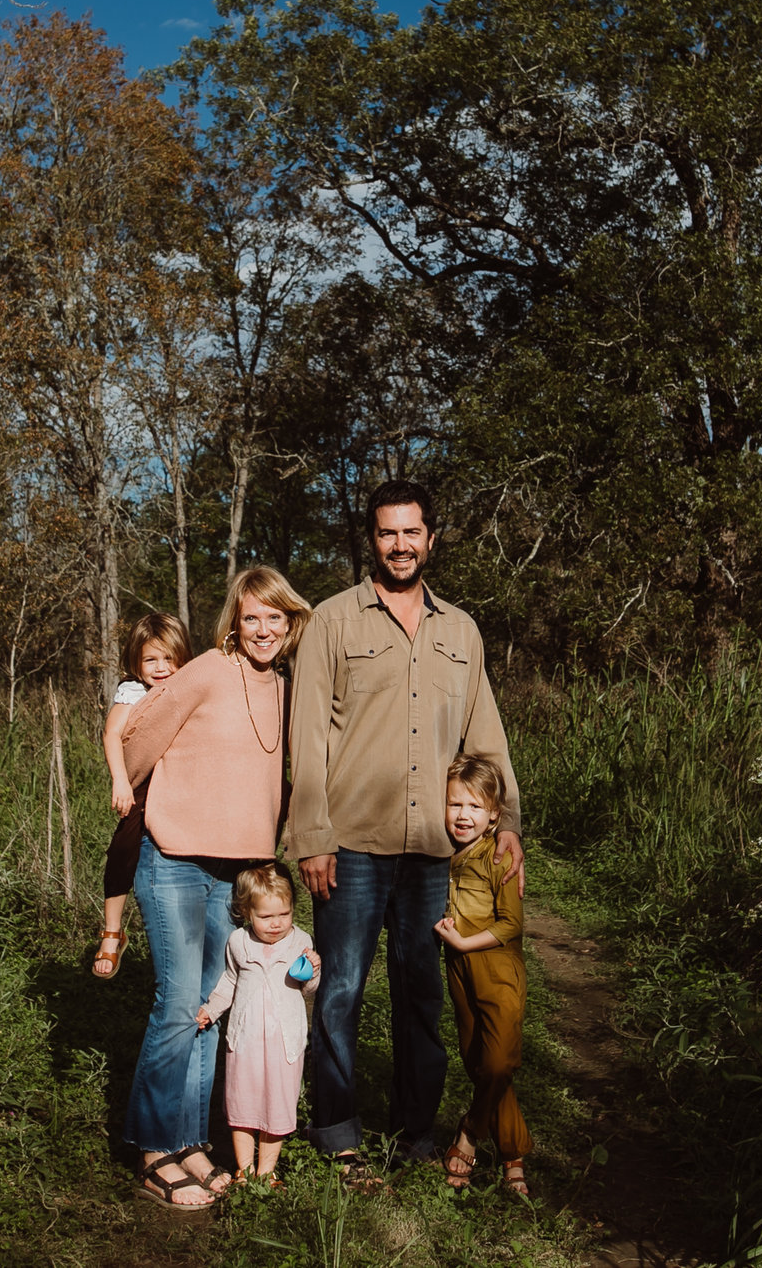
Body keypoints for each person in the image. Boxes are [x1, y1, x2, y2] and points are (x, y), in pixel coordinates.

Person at [287, 477, 523, 1176]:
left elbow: (485, 734)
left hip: (436, 851)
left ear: (431, 537)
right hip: (351, 843)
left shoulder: (461, 630)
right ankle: (336, 1132)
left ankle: (415, 1136)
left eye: (411, 531)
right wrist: (311, 835)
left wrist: (504, 818)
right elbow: (308, 738)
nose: (399, 544)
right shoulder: (333, 620)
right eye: (387, 532)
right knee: (340, 990)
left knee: (424, 991)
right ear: (372, 538)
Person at [117, 565, 313, 1209]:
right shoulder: (205, 669)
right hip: (173, 858)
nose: (262, 629)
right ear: (235, 621)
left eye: (275, 618)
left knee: (209, 1005)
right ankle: (152, 1149)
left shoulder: (285, 686)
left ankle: (190, 1141)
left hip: (234, 873)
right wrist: (149, 800)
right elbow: (138, 734)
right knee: (177, 1003)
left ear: (291, 624)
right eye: (251, 617)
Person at [434, 753, 529, 1196]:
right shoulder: (443, 854)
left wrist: (463, 942)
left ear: (494, 815)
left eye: (474, 807)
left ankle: (471, 1129)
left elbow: (511, 923)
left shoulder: (499, 857)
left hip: (496, 967)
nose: (463, 816)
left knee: (500, 1060)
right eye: (455, 805)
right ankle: (513, 1157)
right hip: (459, 969)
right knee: (478, 1059)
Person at [193, 861, 322, 1187]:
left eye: (284, 914)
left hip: (283, 1042)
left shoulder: (299, 941)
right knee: (242, 1103)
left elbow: (308, 989)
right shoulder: (239, 942)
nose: (276, 924)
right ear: (246, 912)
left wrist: (312, 972)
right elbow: (230, 982)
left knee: (277, 1105)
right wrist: (211, 1009)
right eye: (266, 917)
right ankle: (244, 1170)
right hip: (246, 1040)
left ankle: (266, 1171)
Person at [91, 612, 192, 978]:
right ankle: (112, 931)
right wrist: (120, 781)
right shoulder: (133, 692)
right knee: (124, 845)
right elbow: (111, 734)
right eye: (151, 659)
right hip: (145, 783)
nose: (161, 668)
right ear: (136, 662)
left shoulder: (190, 686)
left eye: (169, 658)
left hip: (184, 781)